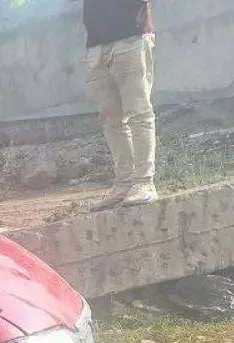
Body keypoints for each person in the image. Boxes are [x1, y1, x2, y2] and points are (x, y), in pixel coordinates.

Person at [80, 0, 156, 210]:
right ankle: (124, 182)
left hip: (130, 38)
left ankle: (144, 182)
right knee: (111, 120)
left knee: (139, 113)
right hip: (97, 46)